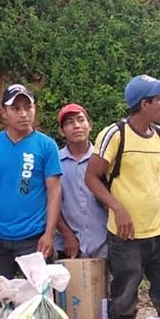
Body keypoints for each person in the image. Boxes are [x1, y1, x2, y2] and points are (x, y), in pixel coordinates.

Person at [85, 74, 160, 319]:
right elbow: (91, 177)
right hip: (125, 237)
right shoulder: (115, 135)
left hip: (159, 234)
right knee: (124, 300)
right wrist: (118, 207)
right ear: (144, 104)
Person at [0, 84, 62, 308]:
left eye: (28, 107)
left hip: (33, 238)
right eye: (16, 108)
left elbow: (54, 191)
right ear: (3, 112)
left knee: (39, 301)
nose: (24, 113)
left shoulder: (46, 146)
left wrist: (49, 233)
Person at [54, 103, 108, 259]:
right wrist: (66, 235)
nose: (76, 126)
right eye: (69, 123)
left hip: (105, 243)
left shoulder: (103, 160)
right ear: (61, 131)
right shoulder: (54, 162)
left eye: (80, 120)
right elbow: (50, 203)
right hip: (68, 246)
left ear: (89, 125)